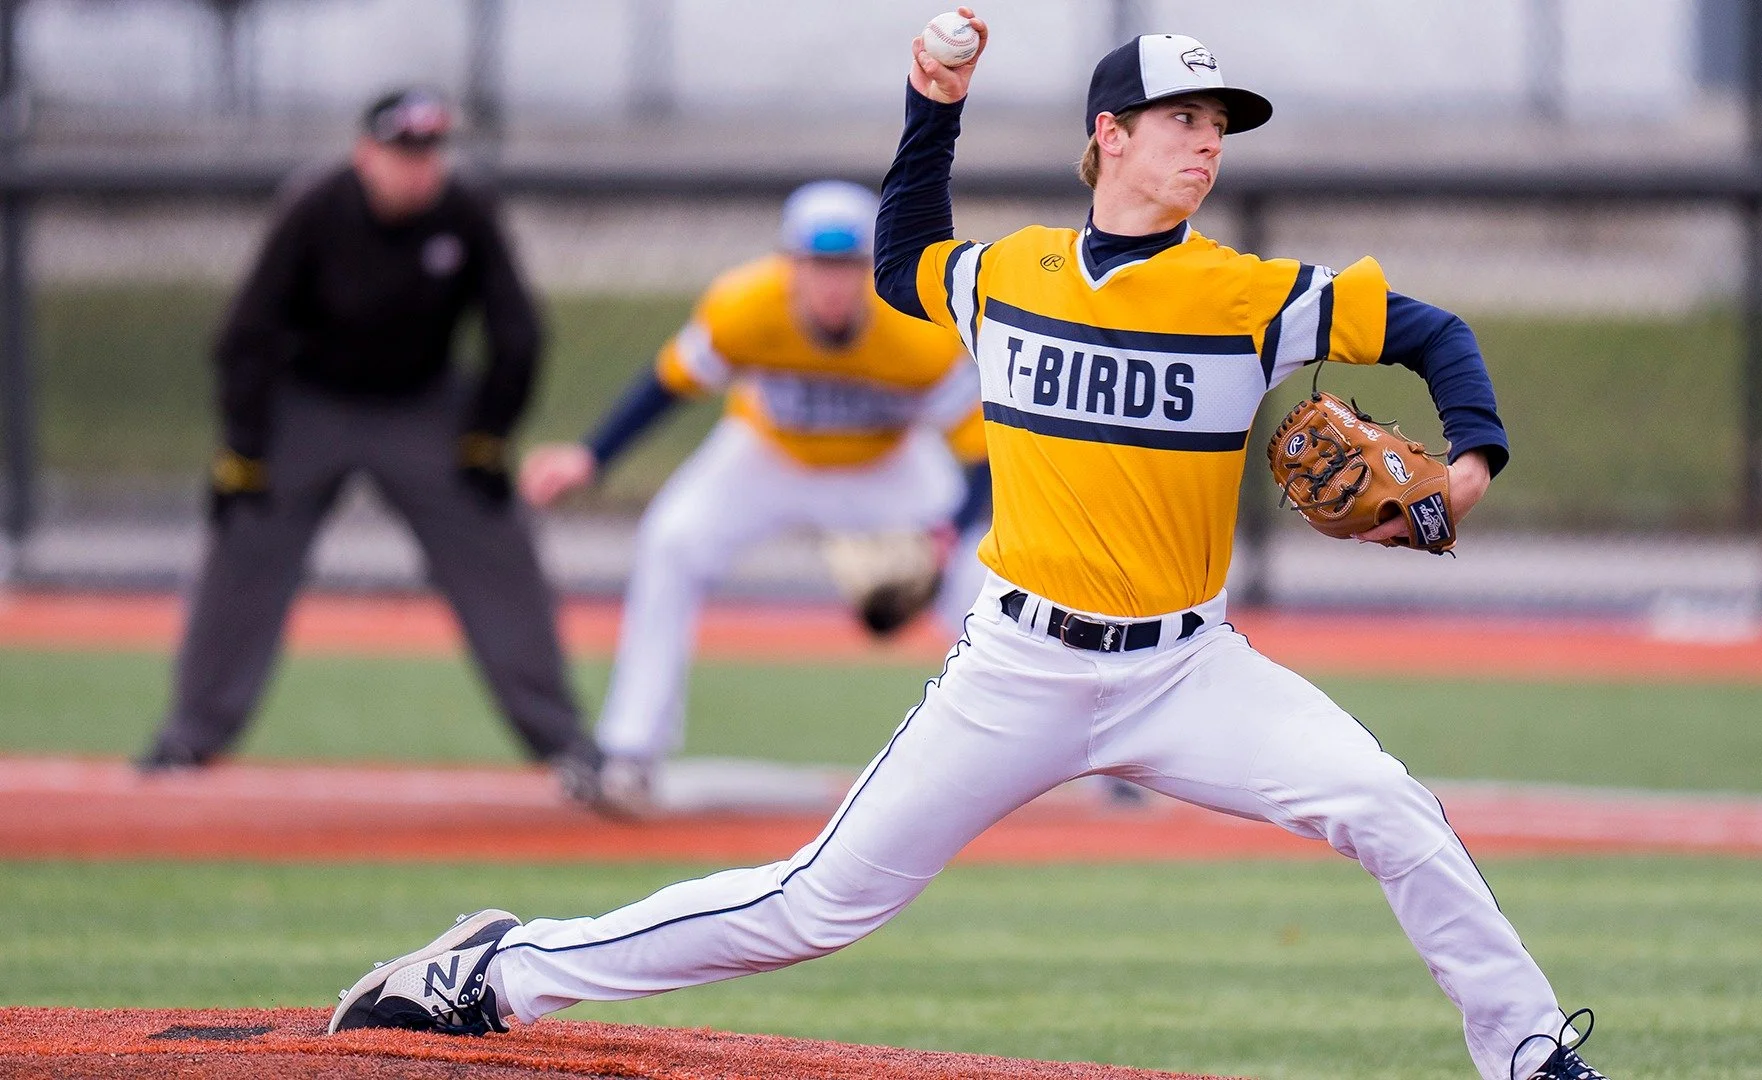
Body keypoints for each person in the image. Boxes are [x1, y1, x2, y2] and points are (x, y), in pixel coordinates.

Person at [328, 20, 1607, 1080]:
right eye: (1184, 119)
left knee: (1389, 807)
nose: (1208, 144)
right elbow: (900, 261)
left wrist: (1472, 467)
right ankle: (496, 973)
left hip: (1190, 672)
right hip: (1018, 670)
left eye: (1220, 126)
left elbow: (1436, 333)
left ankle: (1531, 1053)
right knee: (817, 905)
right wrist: (930, 106)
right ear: (1109, 134)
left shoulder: (1253, 296)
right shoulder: (1010, 275)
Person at [136, 87, 602, 804]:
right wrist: (244, 446)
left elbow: (517, 332)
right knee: (243, 549)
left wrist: (486, 438)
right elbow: (247, 332)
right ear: (366, 154)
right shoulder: (316, 204)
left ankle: (564, 741)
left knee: (500, 549)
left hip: (422, 405)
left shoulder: (465, 209)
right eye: (403, 153)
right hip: (309, 402)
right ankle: (189, 736)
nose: (420, 168)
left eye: (431, 152)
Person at [515, 180, 992, 816]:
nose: (830, 283)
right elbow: (668, 383)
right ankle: (631, 750)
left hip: (885, 464)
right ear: (787, 265)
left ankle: (1007, 749)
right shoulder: (744, 305)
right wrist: (592, 456)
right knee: (673, 540)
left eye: (847, 266)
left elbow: (980, 448)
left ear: (871, 269)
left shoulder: (917, 329)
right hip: (766, 453)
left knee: (979, 576)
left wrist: (948, 531)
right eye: (815, 265)